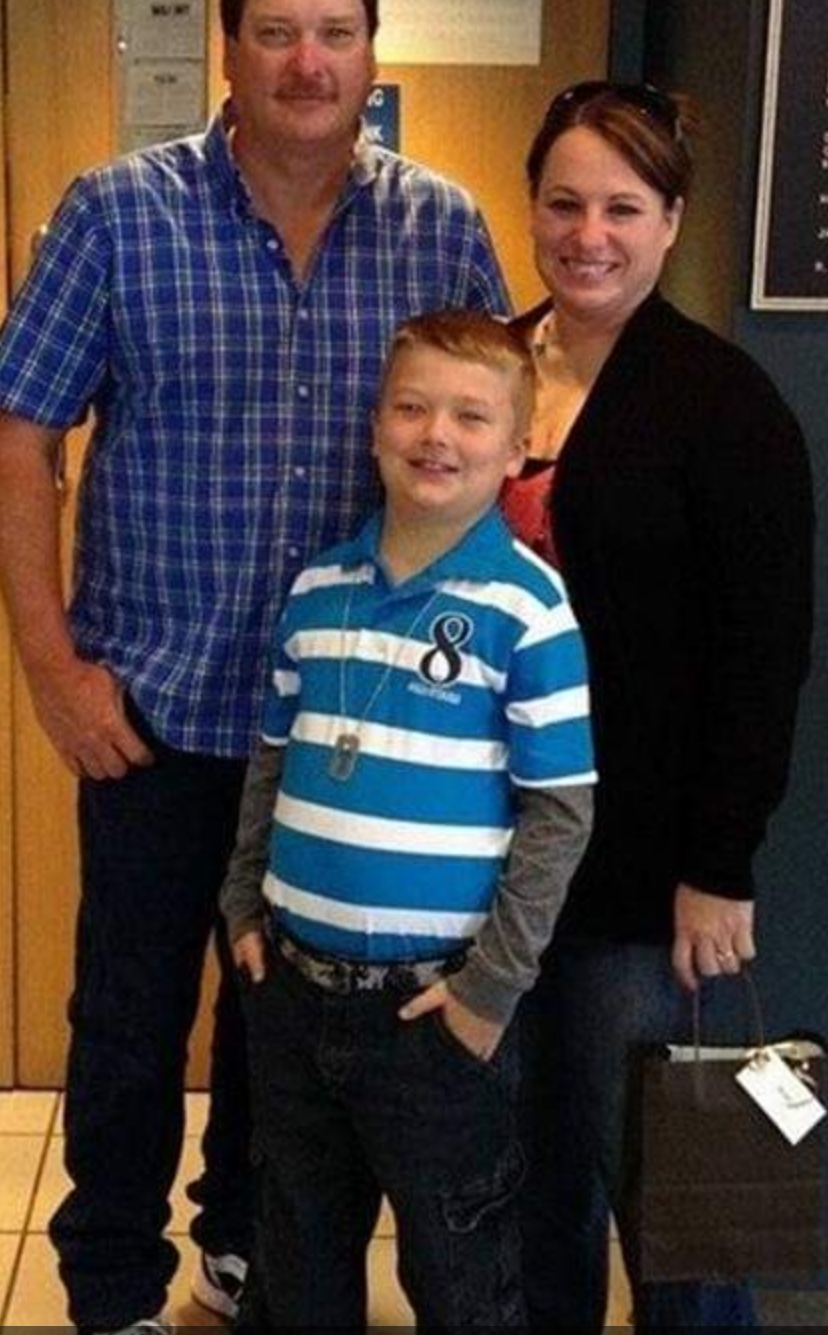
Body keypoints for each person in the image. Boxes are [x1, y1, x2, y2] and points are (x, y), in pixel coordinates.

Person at [0, 0, 510, 1335]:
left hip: (347, 733)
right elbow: (19, 435)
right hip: (151, 711)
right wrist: (53, 669)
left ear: (371, 52)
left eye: (334, 31)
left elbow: (486, 443)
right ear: (230, 49)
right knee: (130, 1019)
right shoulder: (118, 212)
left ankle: (237, 1242)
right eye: (276, 31)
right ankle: (110, 1282)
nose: (306, 61)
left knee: (288, 1030)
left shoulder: (440, 226)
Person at [499, 80, 815, 1330]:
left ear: (672, 220)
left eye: (622, 208)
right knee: (529, 1191)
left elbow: (763, 656)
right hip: (489, 863)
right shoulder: (484, 367)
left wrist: (717, 866)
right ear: (531, 207)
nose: (589, 234)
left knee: (673, 1203)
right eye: (564, 203)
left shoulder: (724, 401)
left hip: (640, 880)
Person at [219, 310, 597, 1328]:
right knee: (298, 1256)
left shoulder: (530, 607)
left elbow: (559, 813)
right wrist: (243, 901)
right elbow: (273, 758)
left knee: (462, 1273)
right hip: (292, 992)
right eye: (412, 407)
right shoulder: (317, 590)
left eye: (472, 416)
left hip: (437, 1009)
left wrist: (488, 990)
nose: (437, 434)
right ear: (376, 426)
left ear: (516, 448)